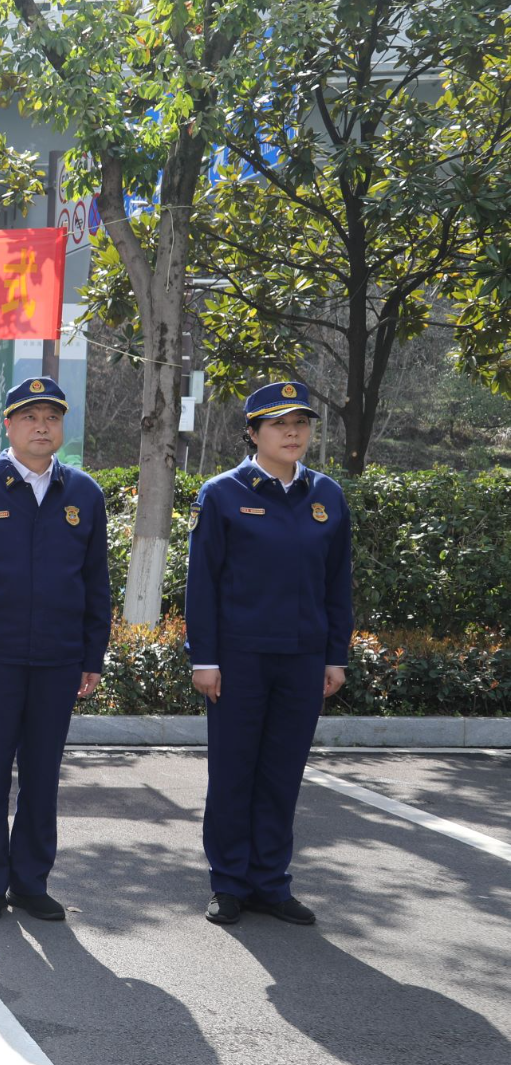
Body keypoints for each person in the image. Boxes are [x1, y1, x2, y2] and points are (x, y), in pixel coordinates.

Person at [0, 376, 110, 924]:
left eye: (51, 418)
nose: (41, 426)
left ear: (61, 427)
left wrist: (91, 656)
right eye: (29, 417)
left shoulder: (84, 494)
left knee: (42, 774)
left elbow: (96, 585)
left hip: (58, 659)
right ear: (7, 425)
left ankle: (31, 880)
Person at [186, 380, 351, 927]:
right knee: (234, 772)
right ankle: (229, 883)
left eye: (300, 424)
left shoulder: (326, 496)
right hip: (239, 659)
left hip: (303, 659)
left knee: (282, 774)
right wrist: (203, 658)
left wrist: (335, 655)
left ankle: (271, 883)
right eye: (279, 424)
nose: (293, 433)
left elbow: (337, 585)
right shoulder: (223, 493)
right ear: (253, 433)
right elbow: (202, 584)